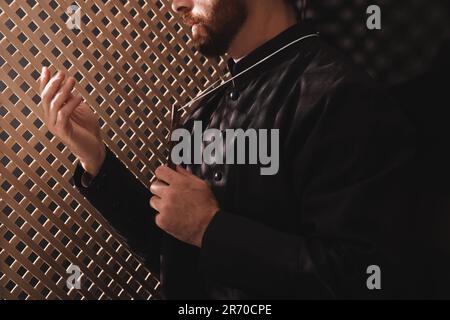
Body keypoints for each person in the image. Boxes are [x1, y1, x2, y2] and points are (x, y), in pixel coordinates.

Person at [39, 0, 417, 299]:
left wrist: (210, 228)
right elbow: (175, 257)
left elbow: (365, 278)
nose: (176, 5)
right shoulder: (205, 110)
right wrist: (96, 159)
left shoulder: (341, 98)